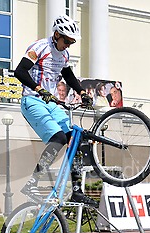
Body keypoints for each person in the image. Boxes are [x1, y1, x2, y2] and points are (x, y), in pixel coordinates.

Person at [13, 15, 97, 207]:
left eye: (72, 42)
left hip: (51, 102)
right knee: (58, 138)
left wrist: (82, 92)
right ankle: (32, 183)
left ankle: (76, 190)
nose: (68, 45)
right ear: (57, 34)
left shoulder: (64, 55)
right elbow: (20, 72)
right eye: (66, 41)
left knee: (74, 139)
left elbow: (67, 74)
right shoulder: (39, 47)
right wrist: (39, 89)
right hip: (32, 100)